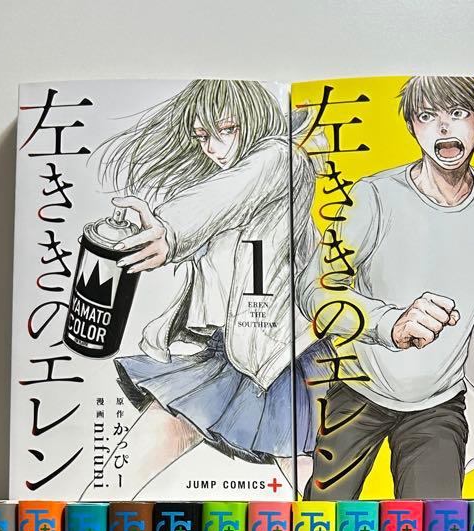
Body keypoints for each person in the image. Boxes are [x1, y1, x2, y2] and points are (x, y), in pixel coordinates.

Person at [298, 75, 474, 500]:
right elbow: (314, 290)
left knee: (438, 530)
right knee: (321, 523)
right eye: (427, 116)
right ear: (412, 127)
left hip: (440, 403)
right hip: (358, 390)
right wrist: (390, 324)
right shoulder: (372, 196)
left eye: (458, 113)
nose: (443, 127)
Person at [87, 79, 324, 499]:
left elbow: (224, 196)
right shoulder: (226, 181)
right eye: (202, 136)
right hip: (229, 353)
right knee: (121, 475)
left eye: (226, 130)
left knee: (315, 493)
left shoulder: (280, 158)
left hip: (285, 356)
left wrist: (170, 229)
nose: (212, 148)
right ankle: (78, 529)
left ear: (255, 119)